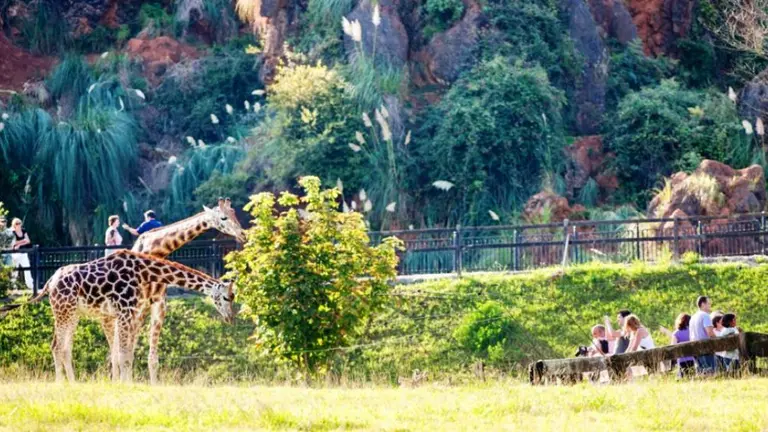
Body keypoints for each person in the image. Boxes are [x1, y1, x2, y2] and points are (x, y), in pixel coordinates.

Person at [690, 295, 717, 374]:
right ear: (702, 304)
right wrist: (719, 341)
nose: (710, 306)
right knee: (710, 371)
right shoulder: (705, 315)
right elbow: (710, 333)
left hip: (695, 348)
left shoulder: (693, 317)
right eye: (708, 304)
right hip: (706, 347)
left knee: (701, 372)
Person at [664, 313, 696, 378]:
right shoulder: (692, 331)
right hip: (693, 358)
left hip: (682, 359)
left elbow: (673, 346)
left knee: (684, 377)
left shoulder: (676, 333)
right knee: (693, 377)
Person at [9, 218, 33, 289]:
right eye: (17, 223)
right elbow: (13, 242)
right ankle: (13, 287)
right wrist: (23, 241)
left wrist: (19, 244)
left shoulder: (23, 230)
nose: (18, 225)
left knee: (27, 270)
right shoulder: (12, 232)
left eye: (19, 223)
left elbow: (28, 241)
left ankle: (31, 286)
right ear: (14, 225)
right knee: (14, 271)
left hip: (23, 253)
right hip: (15, 254)